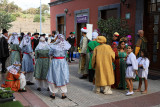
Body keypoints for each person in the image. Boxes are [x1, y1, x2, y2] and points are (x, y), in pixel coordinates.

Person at [46, 34, 71, 99]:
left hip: (55, 62)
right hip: (63, 62)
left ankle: (53, 94)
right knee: (63, 76)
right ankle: (63, 94)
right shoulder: (65, 46)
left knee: (53, 76)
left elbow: (50, 54)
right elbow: (66, 54)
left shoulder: (53, 46)